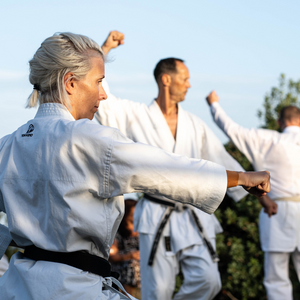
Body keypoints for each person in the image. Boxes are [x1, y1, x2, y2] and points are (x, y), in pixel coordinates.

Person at [0, 31, 270, 300]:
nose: (103, 94)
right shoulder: (89, 140)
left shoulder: (8, 146)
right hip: (75, 289)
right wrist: (242, 178)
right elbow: (165, 170)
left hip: (17, 286)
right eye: (99, 82)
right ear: (70, 82)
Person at [96, 31, 254, 300]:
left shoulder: (194, 124)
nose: (189, 85)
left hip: (194, 214)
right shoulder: (137, 116)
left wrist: (251, 188)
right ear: (166, 79)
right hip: (157, 214)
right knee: (159, 291)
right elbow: (104, 99)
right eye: (185, 78)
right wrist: (104, 50)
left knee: (208, 280)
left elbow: (220, 157)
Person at [206, 91, 300, 300]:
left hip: (277, 210)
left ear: (279, 121)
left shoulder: (269, 139)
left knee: (277, 278)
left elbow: (232, 129)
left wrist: (214, 105)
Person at [110, 199, 141, 299]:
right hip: (123, 266)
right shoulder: (118, 233)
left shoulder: (141, 232)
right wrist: (130, 255)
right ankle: (127, 296)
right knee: (131, 265)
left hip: (141, 267)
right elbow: (112, 255)